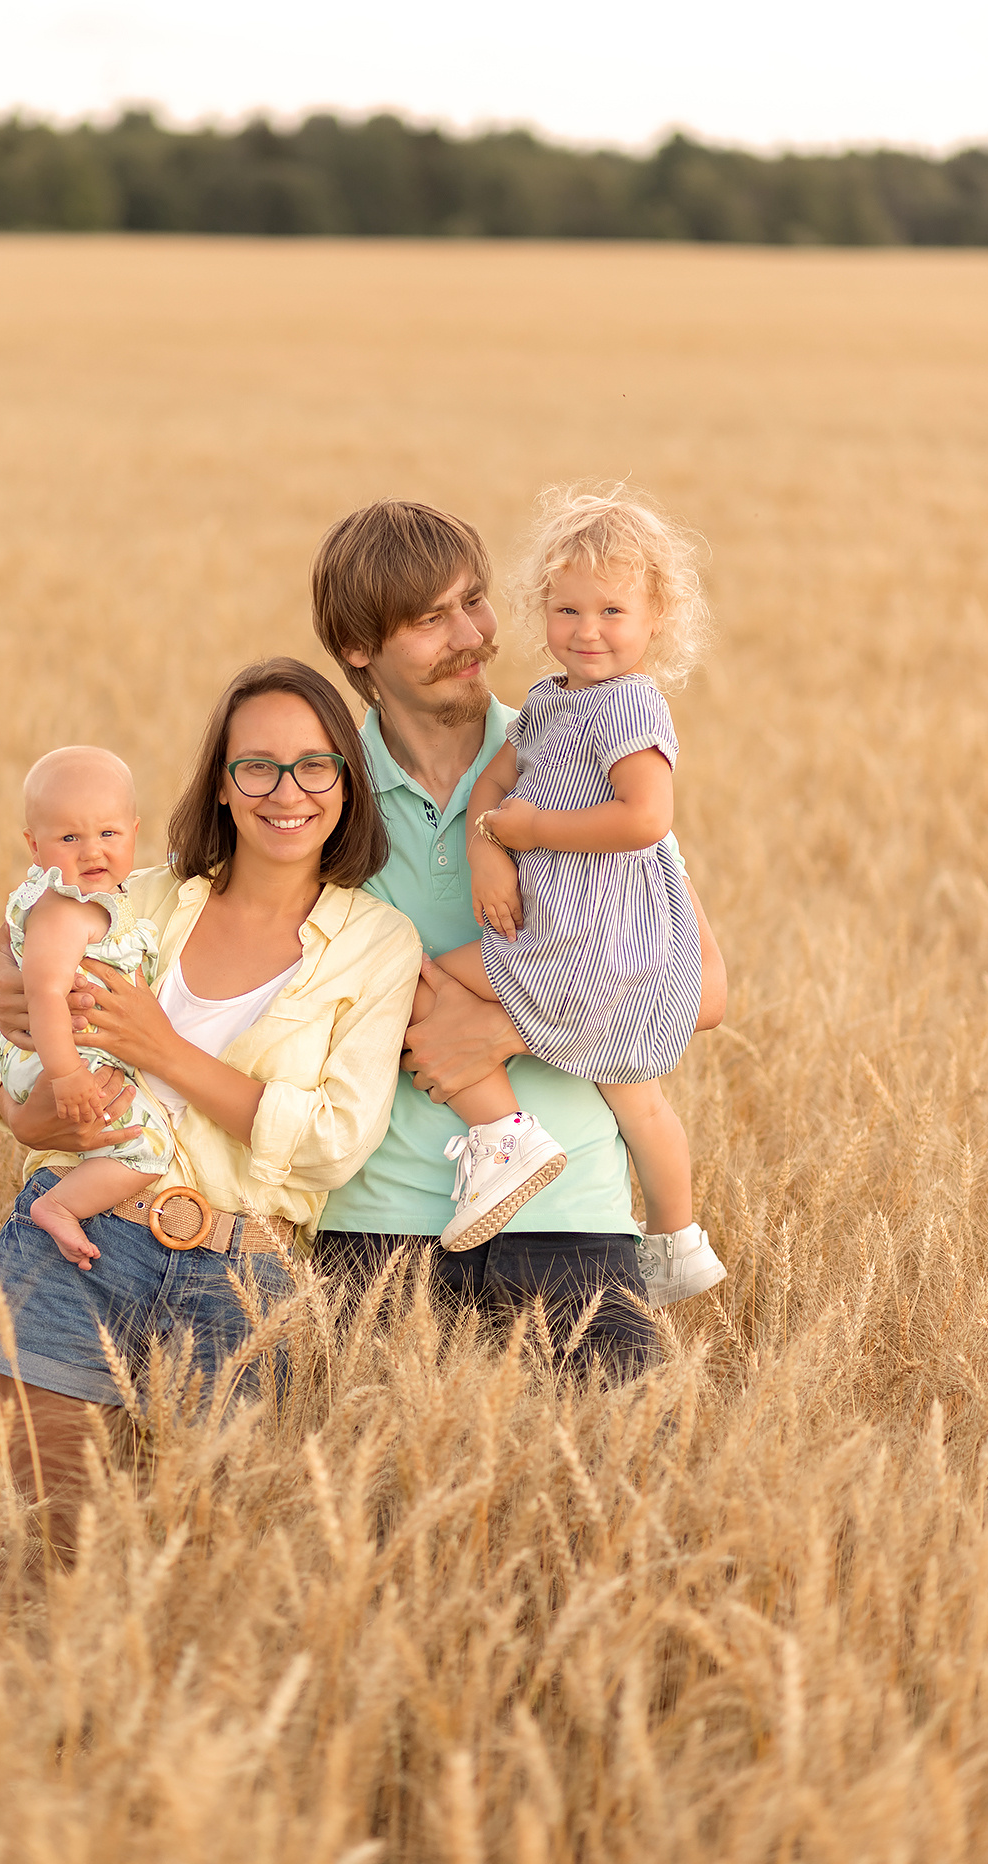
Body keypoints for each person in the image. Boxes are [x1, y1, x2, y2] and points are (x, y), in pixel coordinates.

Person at [0, 658, 422, 1563]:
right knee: (51, 1554)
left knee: (217, 1575)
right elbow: (29, 1068)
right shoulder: (136, 896)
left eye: (315, 765)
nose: (286, 791)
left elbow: (333, 1143)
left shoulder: (376, 944)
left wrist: (161, 1050)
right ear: (221, 781)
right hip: (74, 1246)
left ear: (347, 782)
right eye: (257, 766)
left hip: (242, 1284)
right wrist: (1, 986)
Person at [308, 499, 727, 1361]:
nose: (472, 635)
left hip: (573, 1222)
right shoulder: (313, 794)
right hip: (374, 1223)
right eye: (431, 620)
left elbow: (704, 988)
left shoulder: (583, 753)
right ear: (358, 649)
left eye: (474, 600)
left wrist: (507, 1023)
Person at [0, 745, 177, 1271]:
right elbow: (46, 995)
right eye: (69, 837)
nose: (91, 851)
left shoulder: (104, 900)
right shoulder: (63, 910)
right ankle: (57, 1205)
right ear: (34, 846)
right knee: (149, 1146)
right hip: (58, 1055)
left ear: (135, 831)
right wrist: (68, 1073)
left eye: (108, 834)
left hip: (70, 1052)